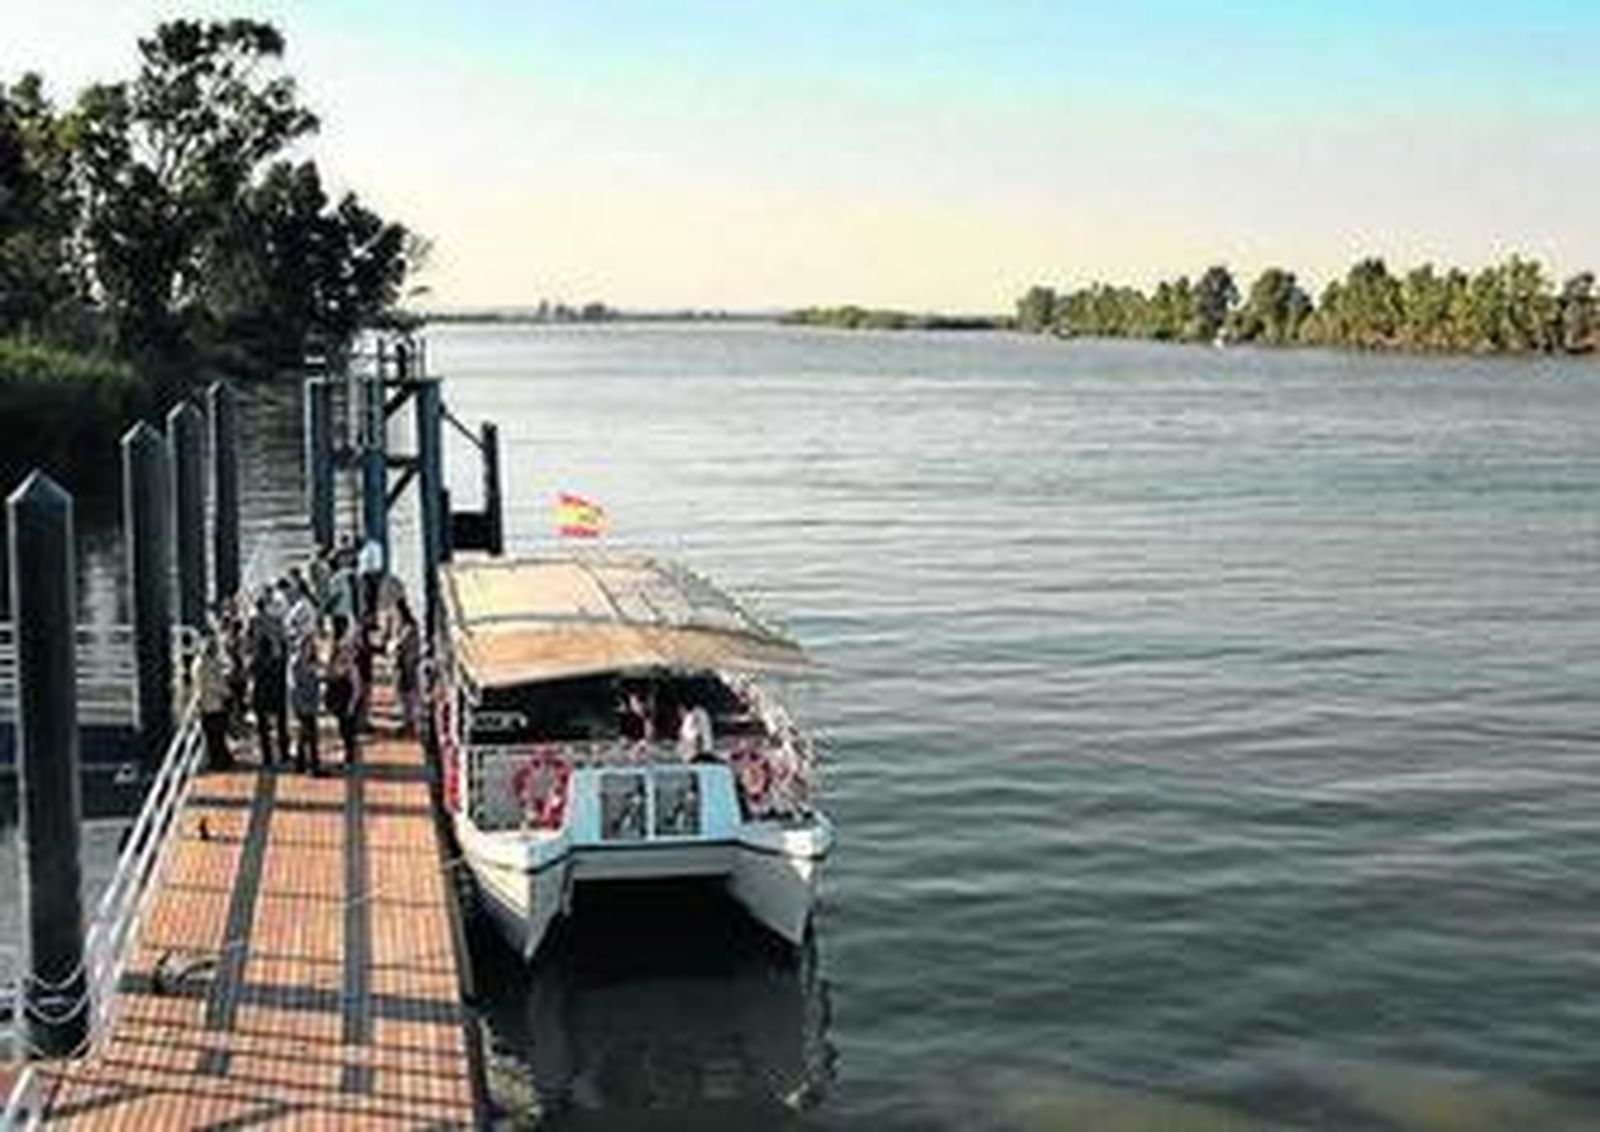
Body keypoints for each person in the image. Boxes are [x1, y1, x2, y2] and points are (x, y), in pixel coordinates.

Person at [247, 591, 289, 767]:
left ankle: (267, 757)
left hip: (261, 690)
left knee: (263, 725)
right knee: (281, 720)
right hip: (277, 685)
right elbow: (283, 646)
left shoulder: (254, 623)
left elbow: (250, 648)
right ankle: (284, 753)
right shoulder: (276, 622)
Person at [325, 615, 362, 766]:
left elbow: (342, 669)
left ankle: (349, 757)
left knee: (346, 726)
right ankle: (348, 755)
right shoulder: (341, 645)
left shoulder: (341, 647)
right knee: (345, 725)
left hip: (344, 689)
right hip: (343, 688)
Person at [195, 631, 233, 770]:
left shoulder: (206, 663)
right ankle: (219, 762)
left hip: (211, 705)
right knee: (215, 736)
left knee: (216, 736)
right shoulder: (205, 665)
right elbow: (213, 684)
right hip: (213, 705)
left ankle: (220, 760)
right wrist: (226, 693)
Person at [288, 634, 322, 775]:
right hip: (303, 704)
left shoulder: (310, 661)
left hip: (311, 703)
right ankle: (313, 766)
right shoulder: (296, 662)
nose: (311, 648)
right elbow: (294, 685)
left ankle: (300, 764)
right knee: (310, 735)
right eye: (308, 645)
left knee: (304, 735)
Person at [391, 597, 422, 737]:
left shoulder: (407, 629)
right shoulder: (410, 627)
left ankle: (409, 724)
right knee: (406, 696)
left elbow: (397, 645)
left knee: (407, 696)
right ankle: (409, 723)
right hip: (406, 664)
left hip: (406, 666)